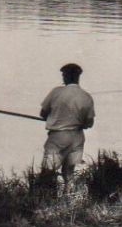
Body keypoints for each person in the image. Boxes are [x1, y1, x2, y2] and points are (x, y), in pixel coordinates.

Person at [39, 62, 95, 190]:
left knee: (48, 172)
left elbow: (43, 114)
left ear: (65, 76)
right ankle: (69, 200)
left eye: (63, 75)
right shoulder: (87, 96)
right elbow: (89, 123)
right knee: (69, 173)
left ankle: (47, 200)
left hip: (57, 137)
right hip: (77, 138)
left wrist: (54, 117)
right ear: (78, 76)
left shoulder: (56, 92)